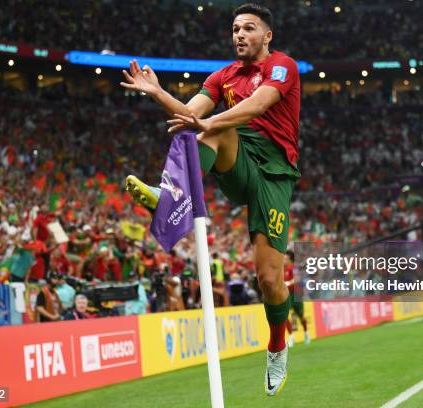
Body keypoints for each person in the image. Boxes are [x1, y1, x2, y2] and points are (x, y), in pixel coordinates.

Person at [121, 3, 300, 395]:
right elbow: (190, 115)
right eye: (235, 28)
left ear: (267, 36)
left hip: (274, 174)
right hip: (239, 160)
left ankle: (276, 345)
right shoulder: (224, 76)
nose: (239, 34)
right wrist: (157, 92)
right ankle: (168, 196)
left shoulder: (282, 65)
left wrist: (209, 121)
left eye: (249, 28)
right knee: (207, 135)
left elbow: (260, 104)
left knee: (269, 279)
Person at [283, 250, 310, 347]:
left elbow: (297, 278)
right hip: (286, 295)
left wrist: (289, 283)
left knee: (301, 316)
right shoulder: (281, 269)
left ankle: (306, 333)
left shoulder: (293, 268)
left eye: (285, 258)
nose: (283, 260)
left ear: (290, 260)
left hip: (296, 294)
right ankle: (291, 337)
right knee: (284, 315)